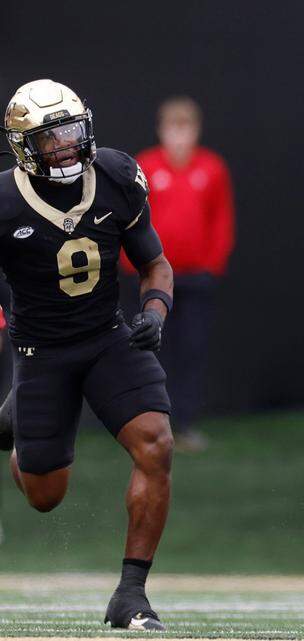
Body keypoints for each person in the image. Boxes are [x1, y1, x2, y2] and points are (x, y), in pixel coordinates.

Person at [0, 79, 175, 630]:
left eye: (73, 132)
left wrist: (153, 314)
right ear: (25, 147)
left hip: (107, 337)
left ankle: (130, 594)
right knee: (44, 496)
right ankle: (17, 428)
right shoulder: (5, 201)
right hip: (41, 352)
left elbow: (155, 264)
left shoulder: (118, 176)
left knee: (157, 444)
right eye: (52, 140)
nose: (68, 147)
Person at [133, 97, 233, 453]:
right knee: (151, 351)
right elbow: (133, 220)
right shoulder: (145, 166)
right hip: (154, 279)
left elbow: (221, 220)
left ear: (196, 130)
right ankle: (149, 422)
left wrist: (212, 264)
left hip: (195, 279)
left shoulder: (211, 168)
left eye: (185, 127)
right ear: (162, 130)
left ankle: (186, 423)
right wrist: (137, 266)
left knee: (191, 349)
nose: (179, 135)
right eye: (173, 127)